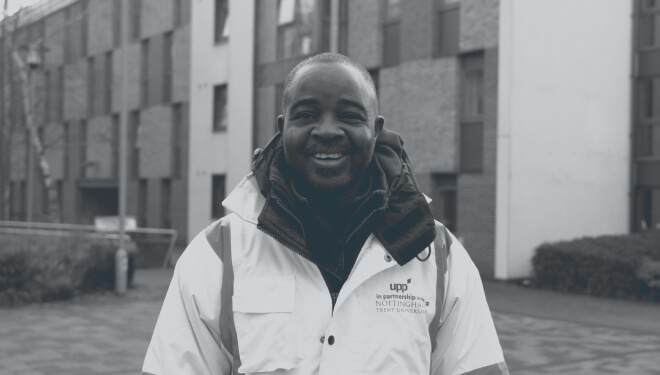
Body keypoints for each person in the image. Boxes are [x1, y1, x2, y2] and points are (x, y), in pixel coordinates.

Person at [142, 52, 508, 375]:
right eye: (307, 115)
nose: (328, 130)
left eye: (350, 116)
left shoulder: (436, 253)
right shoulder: (219, 254)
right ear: (283, 129)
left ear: (375, 130)